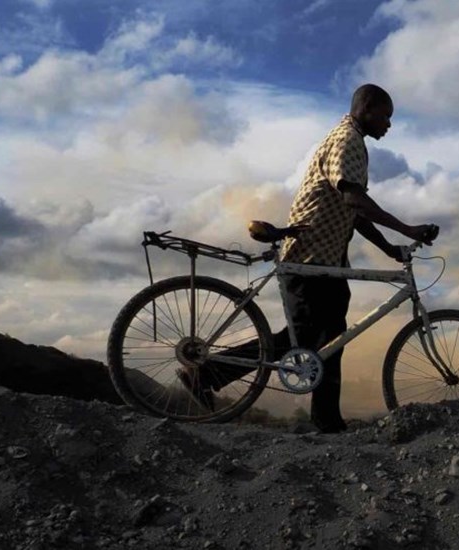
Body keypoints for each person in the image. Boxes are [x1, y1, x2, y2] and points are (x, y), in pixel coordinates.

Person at [185, 84, 437, 433]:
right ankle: (207, 372)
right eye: (386, 116)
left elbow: (354, 212)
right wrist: (408, 230)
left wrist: (389, 249)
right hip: (309, 256)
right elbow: (354, 201)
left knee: (330, 337)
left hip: (328, 261)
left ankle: (326, 418)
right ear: (366, 108)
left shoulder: (352, 141)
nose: (389, 125)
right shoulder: (347, 140)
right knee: (306, 338)